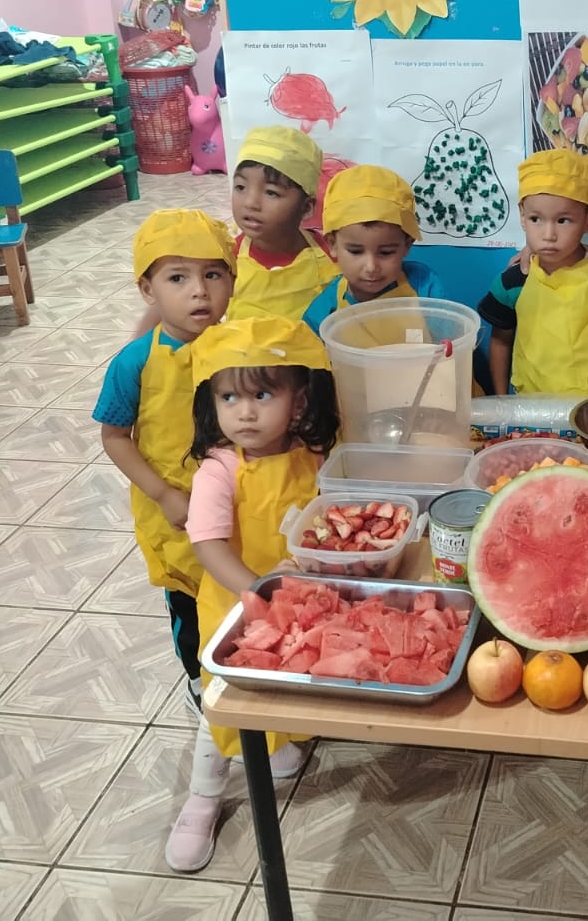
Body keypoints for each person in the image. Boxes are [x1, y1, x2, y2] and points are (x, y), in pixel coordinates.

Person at [166, 317, 338, 873]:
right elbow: (208, 545)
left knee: (284, 687)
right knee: (223, 710)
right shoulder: (218, 472)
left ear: (298, 400)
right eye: (229, 397)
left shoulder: (312, 455)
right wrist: (255, 594)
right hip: (236, 611)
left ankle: (277, 745)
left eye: (262, 395)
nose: (244, 412)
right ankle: (202, 801)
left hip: (296, 607)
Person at [94, 209, 235, 714]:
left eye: (213, 274)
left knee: (236, 592)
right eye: (178, 278)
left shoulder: (242, 349)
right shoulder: (135, 362)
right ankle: (200, 683)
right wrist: (163, 493)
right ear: (147, 289)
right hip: (174, 510)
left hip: (238, 501)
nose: (199, 292)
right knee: (190, 600)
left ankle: (245, 677)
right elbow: (114, 437)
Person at [478, 150, 588, 396]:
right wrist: (500, 398)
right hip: (531, 406)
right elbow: (500, 341)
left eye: (563, 221)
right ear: (522, 217)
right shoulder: (513, 281)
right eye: (536, 219)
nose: (548, 235)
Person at [301, 164, 446, 336]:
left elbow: (448, 339)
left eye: (386, 252)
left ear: (407, 244)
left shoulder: (423, 285)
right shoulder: (323, 314)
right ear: (332, 245)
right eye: (355, 251)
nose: (371, 267)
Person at [224, 126, 340, 323]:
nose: (250, 202)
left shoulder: (331, 254)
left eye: (271, 192)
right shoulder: (228, 259)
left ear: (306, 207)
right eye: (241, 187)